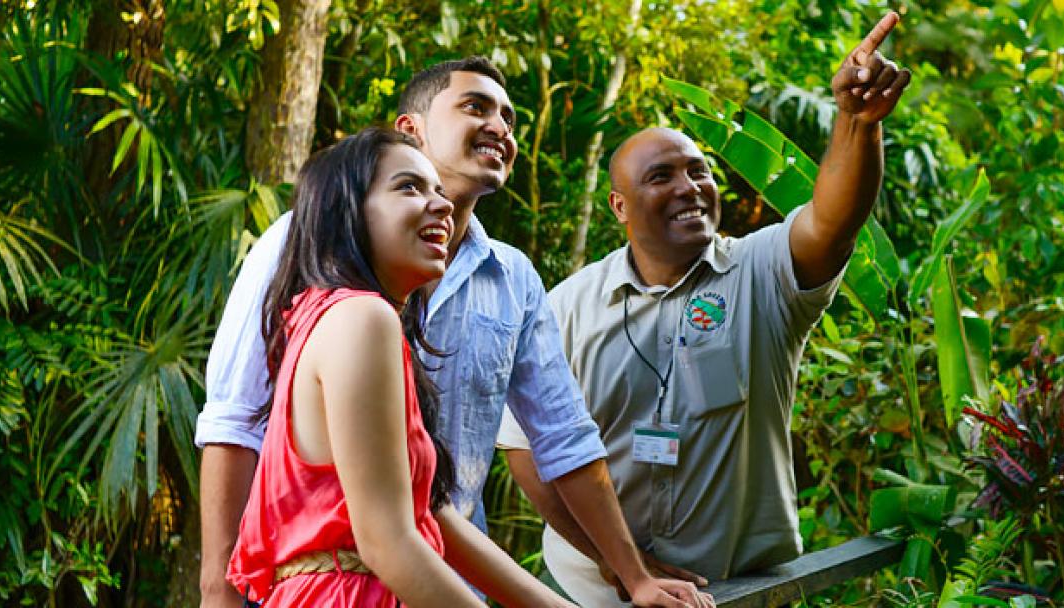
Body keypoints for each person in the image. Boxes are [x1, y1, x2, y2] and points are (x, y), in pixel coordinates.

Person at [197, 57, 708, 607]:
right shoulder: (318, 270)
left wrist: (633, 577)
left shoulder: (506, 279)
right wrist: (217, 593)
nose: (501, 128)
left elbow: (555, 440)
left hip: (446, 581)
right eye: (475, 107)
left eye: (510, 118)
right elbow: (238, 421)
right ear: (409, 131)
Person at [495, 14, 913, 606]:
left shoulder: (763, 273)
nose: (689, 187)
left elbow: (833, 221)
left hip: (735, 589)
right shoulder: (568, 306)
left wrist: (857, 121)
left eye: (700, 171)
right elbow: (525, 453)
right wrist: (622, 562)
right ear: (619, 205)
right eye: (660, 177)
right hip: (590, 590)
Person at [225, 127, 576, 606]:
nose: (442, 205)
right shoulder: (361, 318)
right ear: (345, 212)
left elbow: (430, 517)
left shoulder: (329, 315)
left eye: (437, 189)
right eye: (408, 187)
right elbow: (389, 543)